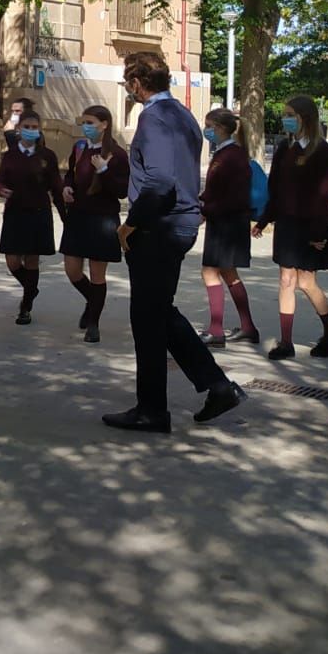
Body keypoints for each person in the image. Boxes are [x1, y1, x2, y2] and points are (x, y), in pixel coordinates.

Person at [104, 51, 245, 433]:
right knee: (158, 314)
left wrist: (128, 226)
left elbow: (160, 181)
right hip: (177, 224)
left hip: (158, 227)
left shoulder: (154, 116)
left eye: (128, 83)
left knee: (147, 320)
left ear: (136, 83)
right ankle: (216, 386)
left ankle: (153, 410)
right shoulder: (182, 114)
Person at [253, 96, 328, 360]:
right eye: (285, 114)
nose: (286, 119)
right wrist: (264, 220)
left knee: (306, 282)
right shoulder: (284, 148)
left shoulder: (323, 152)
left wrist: (318, 234)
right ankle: (286, 342)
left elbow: (323, 196)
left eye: (290, 114)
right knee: (286, 280)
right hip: (287, 225)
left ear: (306, 117)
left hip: (312, 226)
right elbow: (276, 189)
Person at [60, 106, 130, 344]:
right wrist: (66, 187)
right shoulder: (79, 148)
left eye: (90, 122)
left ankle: (93, 323)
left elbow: (122, 191)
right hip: (78, 216)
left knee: (97, 273)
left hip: (103, 218)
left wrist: (105, 170)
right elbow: (70, 173)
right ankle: (93, 302)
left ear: (104, 124)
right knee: (72, 270)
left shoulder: (117, 154)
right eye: (84, 122)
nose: (85, 127)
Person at [0, 109, 65, 324]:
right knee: (13, 261)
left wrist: (65, 216)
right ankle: (31, 288)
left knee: (32, 259)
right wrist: (1, 190)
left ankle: (26, 307)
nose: (31, 131)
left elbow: (56, 186)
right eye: (27, 127)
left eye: (35, 127)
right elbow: (0, 180)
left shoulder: (47, 156)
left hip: (38, 213)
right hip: (15, 213)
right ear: (19, 129)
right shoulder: (10, 155)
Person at [198, 109, 258, 347]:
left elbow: (232, 196)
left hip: (227, 224)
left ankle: (216, 330)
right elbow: (217, 189)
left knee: (210, 272)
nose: (207, 130)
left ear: (221, 128)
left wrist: (206, 209)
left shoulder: (231, 156)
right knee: (228, 273)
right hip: (225, 222)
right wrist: (203, 201)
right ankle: (248, 327)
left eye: (209, 126)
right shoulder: (226, 153)